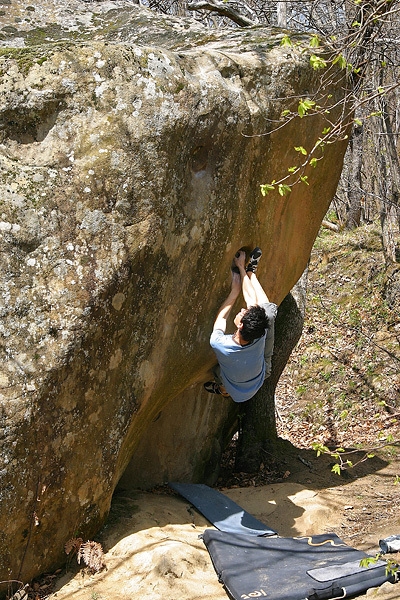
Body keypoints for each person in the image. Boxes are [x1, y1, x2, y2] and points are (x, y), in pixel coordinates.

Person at [204, 247, 277, 403]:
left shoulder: (219, 344)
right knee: (268, 315)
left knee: (218, 372)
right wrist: (243, 270)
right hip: (259, 376)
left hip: (236, 392)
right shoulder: (258, 335)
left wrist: (234, 292)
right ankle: (252, 272)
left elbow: (221, 319)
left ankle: (223, 390)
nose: (242, 309)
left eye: (242, 314)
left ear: (241, 326)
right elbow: (251, 301)